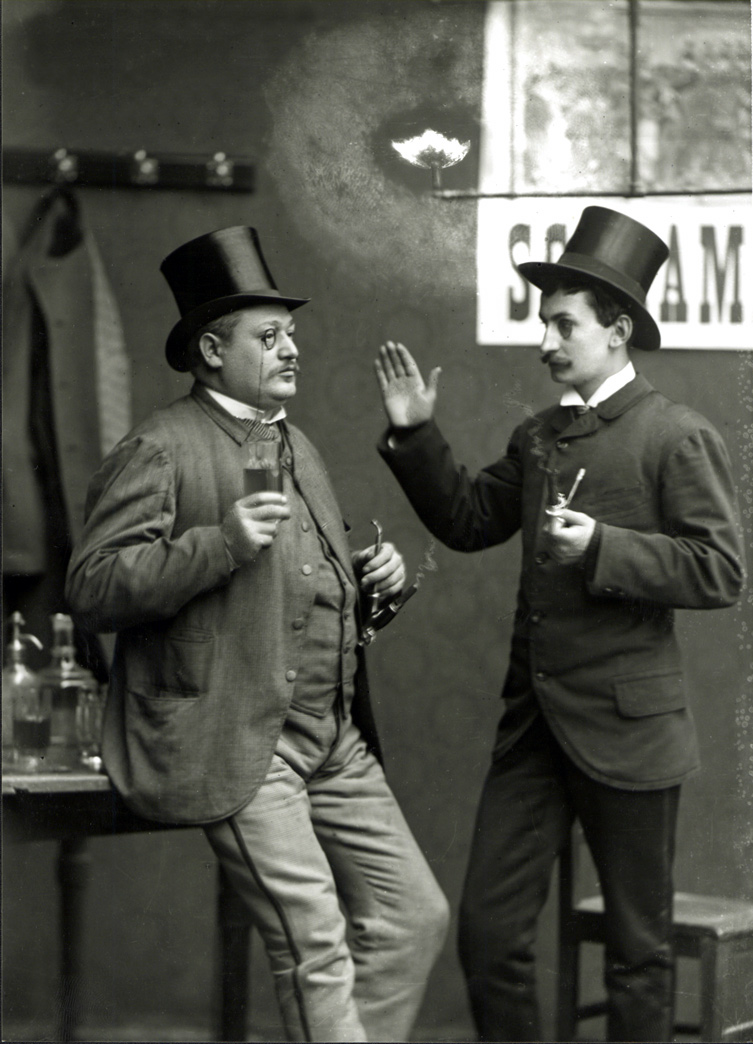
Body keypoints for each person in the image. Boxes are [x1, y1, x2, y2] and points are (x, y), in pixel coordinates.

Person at [65, 226, 449, 1043]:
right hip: (235, 737)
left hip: (328, 738)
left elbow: (297, 585)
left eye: (291, 335)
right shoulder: (159, 448)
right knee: (314, 944)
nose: (291, 350)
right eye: (268, 337)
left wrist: (367, 578)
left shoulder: (294, 443)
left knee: (412, 915)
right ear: (211, 350)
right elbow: (91, 588)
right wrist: (219, 544)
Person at [373, 207, 744, 1043]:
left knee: (637, 955)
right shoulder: (539, 436)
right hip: (534, 731)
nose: (544, 341)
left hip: (629, 733)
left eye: (562, 324)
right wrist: (414, 433)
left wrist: (603, 547)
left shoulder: (676, 436)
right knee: (489, 935)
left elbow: (719, 570)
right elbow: (469, 519)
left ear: (617, 331)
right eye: (542, 323)